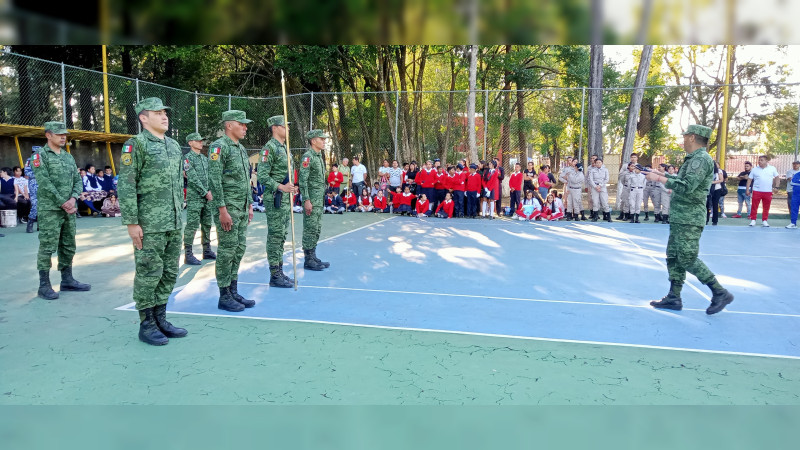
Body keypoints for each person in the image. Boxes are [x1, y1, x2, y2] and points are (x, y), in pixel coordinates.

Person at [117, 98, 186, 345]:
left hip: (174, 221)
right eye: (157, 113)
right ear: (143, 118)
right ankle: (146, 324)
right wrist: (132, 222)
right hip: (149, 224)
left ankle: (160, 318)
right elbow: (126, 185)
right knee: (148, 273)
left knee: (169, 272)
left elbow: (178, 184)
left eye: (165, 112)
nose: (164, 116)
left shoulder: (174, 146)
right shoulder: (136, 145)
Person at [646, 124, 733, 315]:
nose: (683, 139)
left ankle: (719, 292)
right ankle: (673, 297)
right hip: (682, 216)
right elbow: (683, 180)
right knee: (674, 256)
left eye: (685, 136)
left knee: (686, 257)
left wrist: (660, 179)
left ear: (693, 137)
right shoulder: (694, 159)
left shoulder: (701, 159)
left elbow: (687, 186)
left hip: (689, 217)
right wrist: (663, 175)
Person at [31, 122, 91, 301]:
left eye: (64, 134)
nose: (63, 137)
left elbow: (78, 180)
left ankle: (67, 280)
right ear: (48, 135)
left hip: (69, 208)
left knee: (68, 244)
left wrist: (73, 199)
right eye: (59, 134)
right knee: (47, 245)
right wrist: (63, 202)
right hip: (50, 209)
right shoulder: (40, 156)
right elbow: (44, 182)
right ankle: (44, 285)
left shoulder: (68, 157)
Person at [208, 110, 256, 311]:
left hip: (242, 207)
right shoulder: (219, 147)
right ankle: (224, 295)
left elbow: (246, 180)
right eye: (241, 124)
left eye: (246, 125)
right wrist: (222, 209)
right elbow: (214, 179)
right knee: (227, 251)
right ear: (229, 125)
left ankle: (233, 291)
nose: (245, 127)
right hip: (228, 209)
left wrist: (250, 204)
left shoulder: (241, 148)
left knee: (238, 249)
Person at [258, 115, 298, 288]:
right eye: (285, 126)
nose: (288, 129)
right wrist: (281, 187)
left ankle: (279, 270)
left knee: (281, 236)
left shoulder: (285, 148)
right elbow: (262, 176)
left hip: (285, 199)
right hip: (275, 198)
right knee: (275, 236)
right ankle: (274, 274)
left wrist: (291, 187)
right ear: (275, 128)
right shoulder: (269, 148)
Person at [298, 129, 331, 271]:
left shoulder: (318, 156)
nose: (324, 141)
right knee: (310, 229)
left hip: (319, 200)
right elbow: (302, 180)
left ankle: (313, 255)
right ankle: (308, 259)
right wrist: (306, 200)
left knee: (316, 228)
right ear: (313, 141)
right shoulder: (308, 157)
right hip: (311, 199)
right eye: (321, 139)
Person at [182, 132, 217, 266]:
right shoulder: (187, 158)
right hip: (195, 197)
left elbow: (210, 176)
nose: (201, 143)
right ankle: (188, 254)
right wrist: (205, 192)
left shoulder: (204, 159)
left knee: (207, 223)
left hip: (207, 197)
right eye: (197, 141)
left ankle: (206, 250)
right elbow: (192, 177)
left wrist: (210, 192)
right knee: (192, 225)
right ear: (190, 143)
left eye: (201, 140)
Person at [746, 155, 779, 227]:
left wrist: (776, 187)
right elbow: (749, 179)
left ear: (766, 161)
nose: (759, 161)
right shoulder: (754, 169)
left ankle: (764, 220)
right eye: (759, 160)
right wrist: (747, 189)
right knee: (754, 206)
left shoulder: (772, 168)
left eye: (761, 160)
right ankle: (753, 220)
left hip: (768, 191)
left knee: (766, 207)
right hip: (757, 190)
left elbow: (777, 177)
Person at [588, 157, 611, 222]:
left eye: (599, 162)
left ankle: (608, 217)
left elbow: (606, 179)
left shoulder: (605, 170)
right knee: (595, 202)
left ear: (602, 163)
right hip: (594, 187)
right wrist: (595, 186)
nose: (598, 164)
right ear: (595, 163)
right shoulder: (592, 170)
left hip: (602, 187)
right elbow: (591, 179)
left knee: (604, 202)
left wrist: (600, 185)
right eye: (597, 163)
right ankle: (595, 216)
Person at [24, 147, 40, 232]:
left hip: (43, 184)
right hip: (34, 184)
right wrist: (38, 174)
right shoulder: (29, 160)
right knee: (35, 204)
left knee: (43, 204)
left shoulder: (43, 160)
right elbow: (27, 172)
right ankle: (30, 224)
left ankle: (40, 225)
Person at [706, 160, 725, 226]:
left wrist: (713, 182)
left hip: (716, 189)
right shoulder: (707, 171)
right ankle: (706, 220)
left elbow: (721, 180)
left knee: (715, 204)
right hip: (708, 190)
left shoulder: (719, 171)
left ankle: (715, 221)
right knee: (707, 205)